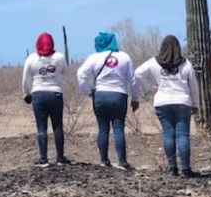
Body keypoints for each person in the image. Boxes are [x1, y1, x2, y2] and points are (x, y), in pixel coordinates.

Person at [135, 35, 200, 178]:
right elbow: (193, 85)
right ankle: (186, 169)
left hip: (162, 103)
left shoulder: (154, 62)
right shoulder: (186, 64)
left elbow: (138, 73)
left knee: (168, 134)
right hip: (182, 102)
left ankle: (172, 168)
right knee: (182, 135)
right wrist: (195, 104)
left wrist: (151, 86)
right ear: (178, 47)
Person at [77, 31, 140, 170]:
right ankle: (122, 162)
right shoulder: (124, 57)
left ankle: (104, 161)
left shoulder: (94, 57)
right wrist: (135, 98)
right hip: (119, 95)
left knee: (103, 128)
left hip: (100, 95)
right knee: (118, 128)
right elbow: (133, 80)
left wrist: (88, 92)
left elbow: (80, 74)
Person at [22, 32, 72, 168]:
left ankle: (43, 159)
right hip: (55, 94)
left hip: (38, 94)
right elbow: (66, 72)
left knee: (41, 127)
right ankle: (60, 158)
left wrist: (26, 93)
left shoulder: (31, 58)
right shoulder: (59, 57)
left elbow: (25, 79)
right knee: (58, 126)